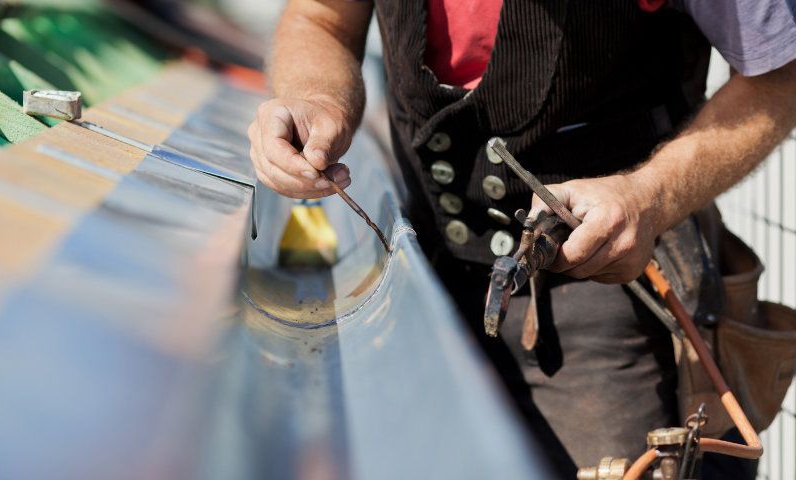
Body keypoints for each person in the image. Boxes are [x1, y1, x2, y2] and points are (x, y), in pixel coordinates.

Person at [248, 0, 796, 477]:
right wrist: (316, 99)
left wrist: (648, 196)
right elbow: (320, 17)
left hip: (613, 303)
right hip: (420, 279)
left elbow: (781, 76)